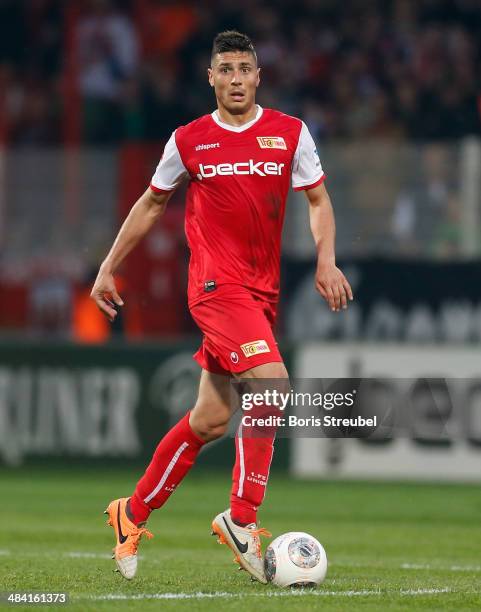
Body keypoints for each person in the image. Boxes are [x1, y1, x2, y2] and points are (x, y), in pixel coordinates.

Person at [91, 30, 353, 583]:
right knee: (274, 385)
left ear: (259, 76)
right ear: (210, 78)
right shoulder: (189, 140)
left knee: (209, 420)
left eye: (244, 69)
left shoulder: (289, 133)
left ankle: (130, 513)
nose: (235, 78)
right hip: (215, 288)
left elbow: (319, 199)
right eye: (225, 69)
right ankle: (242, 519)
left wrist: (327, 260)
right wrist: (108, 265)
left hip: (261, 294)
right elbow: (150, 203)